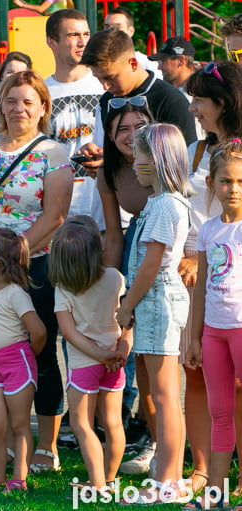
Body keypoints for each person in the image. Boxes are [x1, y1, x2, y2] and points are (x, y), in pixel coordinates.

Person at [0, 70, 73, 475]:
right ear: (0, 105)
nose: (18, 108)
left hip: (33, 267)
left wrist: (13, 256)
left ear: (42, 107)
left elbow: (55, 215)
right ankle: (1, 439)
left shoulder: (52, 153)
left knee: (39, 354)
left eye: (28, 101)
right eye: (11, 100)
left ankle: (46, 444)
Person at [115, 123, 191, 503]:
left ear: (159, 159)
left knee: (164, 396)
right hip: (149, 302)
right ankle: (164, 472)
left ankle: (171, 479)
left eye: (141, 155)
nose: (135, 161)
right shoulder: (157, 202)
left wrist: (127, 305)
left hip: (157, 301)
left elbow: (151, 265)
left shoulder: (165, 205)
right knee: (153, 392)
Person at [181, 61, 242, 496]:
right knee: (204, 383)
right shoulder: (199, 150)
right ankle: (209, 476)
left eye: (199, 100)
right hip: (197, 282)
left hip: (233, 295)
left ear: (222, 102)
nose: (194, 107)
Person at [95, 100, 156, 463]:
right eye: (123, 130)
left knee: (158, 347)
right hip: (135, 240)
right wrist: (109, 289)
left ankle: (155, 432)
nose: (132, 136)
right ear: (111, 137)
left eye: (140, 127)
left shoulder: (166, 162)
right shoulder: (109, 172)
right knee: (130, 335)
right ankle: (136, 425)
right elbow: (114, 237)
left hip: (170, 245)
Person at [51, 216, 129, 493]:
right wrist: (121, 348)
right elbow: (127, 319)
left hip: (85, 363)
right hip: (114, 360)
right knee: (113, 423)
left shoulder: (63, 288)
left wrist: (97, 354)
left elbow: (69, 333)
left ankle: (96, 484)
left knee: (81, 423)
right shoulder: (114, 278)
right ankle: (109, 478)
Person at [0, 227, 46, 494]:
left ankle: (18, 479)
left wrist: (26, 357)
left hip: (17, 366)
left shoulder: (15, 294)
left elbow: (38, 332)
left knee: (19, 424)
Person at [78, 29, 197, 174]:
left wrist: (120, 167)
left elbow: (188, 164)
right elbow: (103, 151)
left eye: (110, 77)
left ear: (133, 63)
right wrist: (95, 157)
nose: (105, 86)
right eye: (99, 78)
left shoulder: (171, 100)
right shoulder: (106, 101)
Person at [44, 9, 105, 220]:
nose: (83, 42)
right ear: (52, 43)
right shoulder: (40, 93)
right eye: (73, 35)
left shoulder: (105, 84)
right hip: (58, 211)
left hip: (104, 206)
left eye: (86, 34)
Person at [103, 7, 163, 78]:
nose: (111, 32)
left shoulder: (148, 64)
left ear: (131, 31)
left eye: (118, 28)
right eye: (107, 27)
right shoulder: (98, 65)